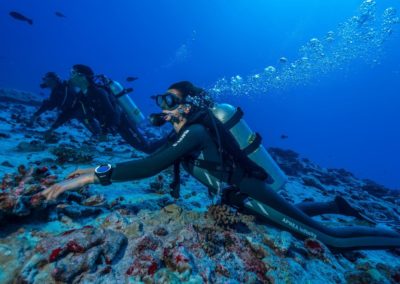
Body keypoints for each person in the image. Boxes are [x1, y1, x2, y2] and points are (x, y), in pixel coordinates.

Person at [40, 81, 400, 250]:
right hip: (239, 197)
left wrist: (92, 178)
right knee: (288, 213)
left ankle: (392, 238)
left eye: (170, 100)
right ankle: (336, 205)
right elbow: (147, 158)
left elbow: (150, 167)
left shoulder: (195, 131)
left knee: (329, 240)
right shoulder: (182, 134)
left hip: (248, 192)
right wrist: (96, 169)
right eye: (161, 99)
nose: (163, 106)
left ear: (187, 105)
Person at [69, 64, 156, 153]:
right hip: (118, 126)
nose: (71, 75)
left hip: (124, 123)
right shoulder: (83, 95)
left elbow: (114, 111)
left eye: (73, 73)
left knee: (147, 148)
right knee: (143, 148)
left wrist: (105, 132)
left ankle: (170, 143)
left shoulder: (98, 92)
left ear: (82, 76)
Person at [29, 71, 101, 136]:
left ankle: (102, 134)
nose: (46, 83)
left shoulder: (60, 92)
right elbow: (52, 105)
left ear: (54, 80)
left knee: (92, 126)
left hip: (81, 111)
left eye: (48, 80)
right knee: (92, 126)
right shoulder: (60, 89)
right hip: (78, 111)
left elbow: (64, 111)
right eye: (45, 80)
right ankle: (101, 133)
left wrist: (51, 128)